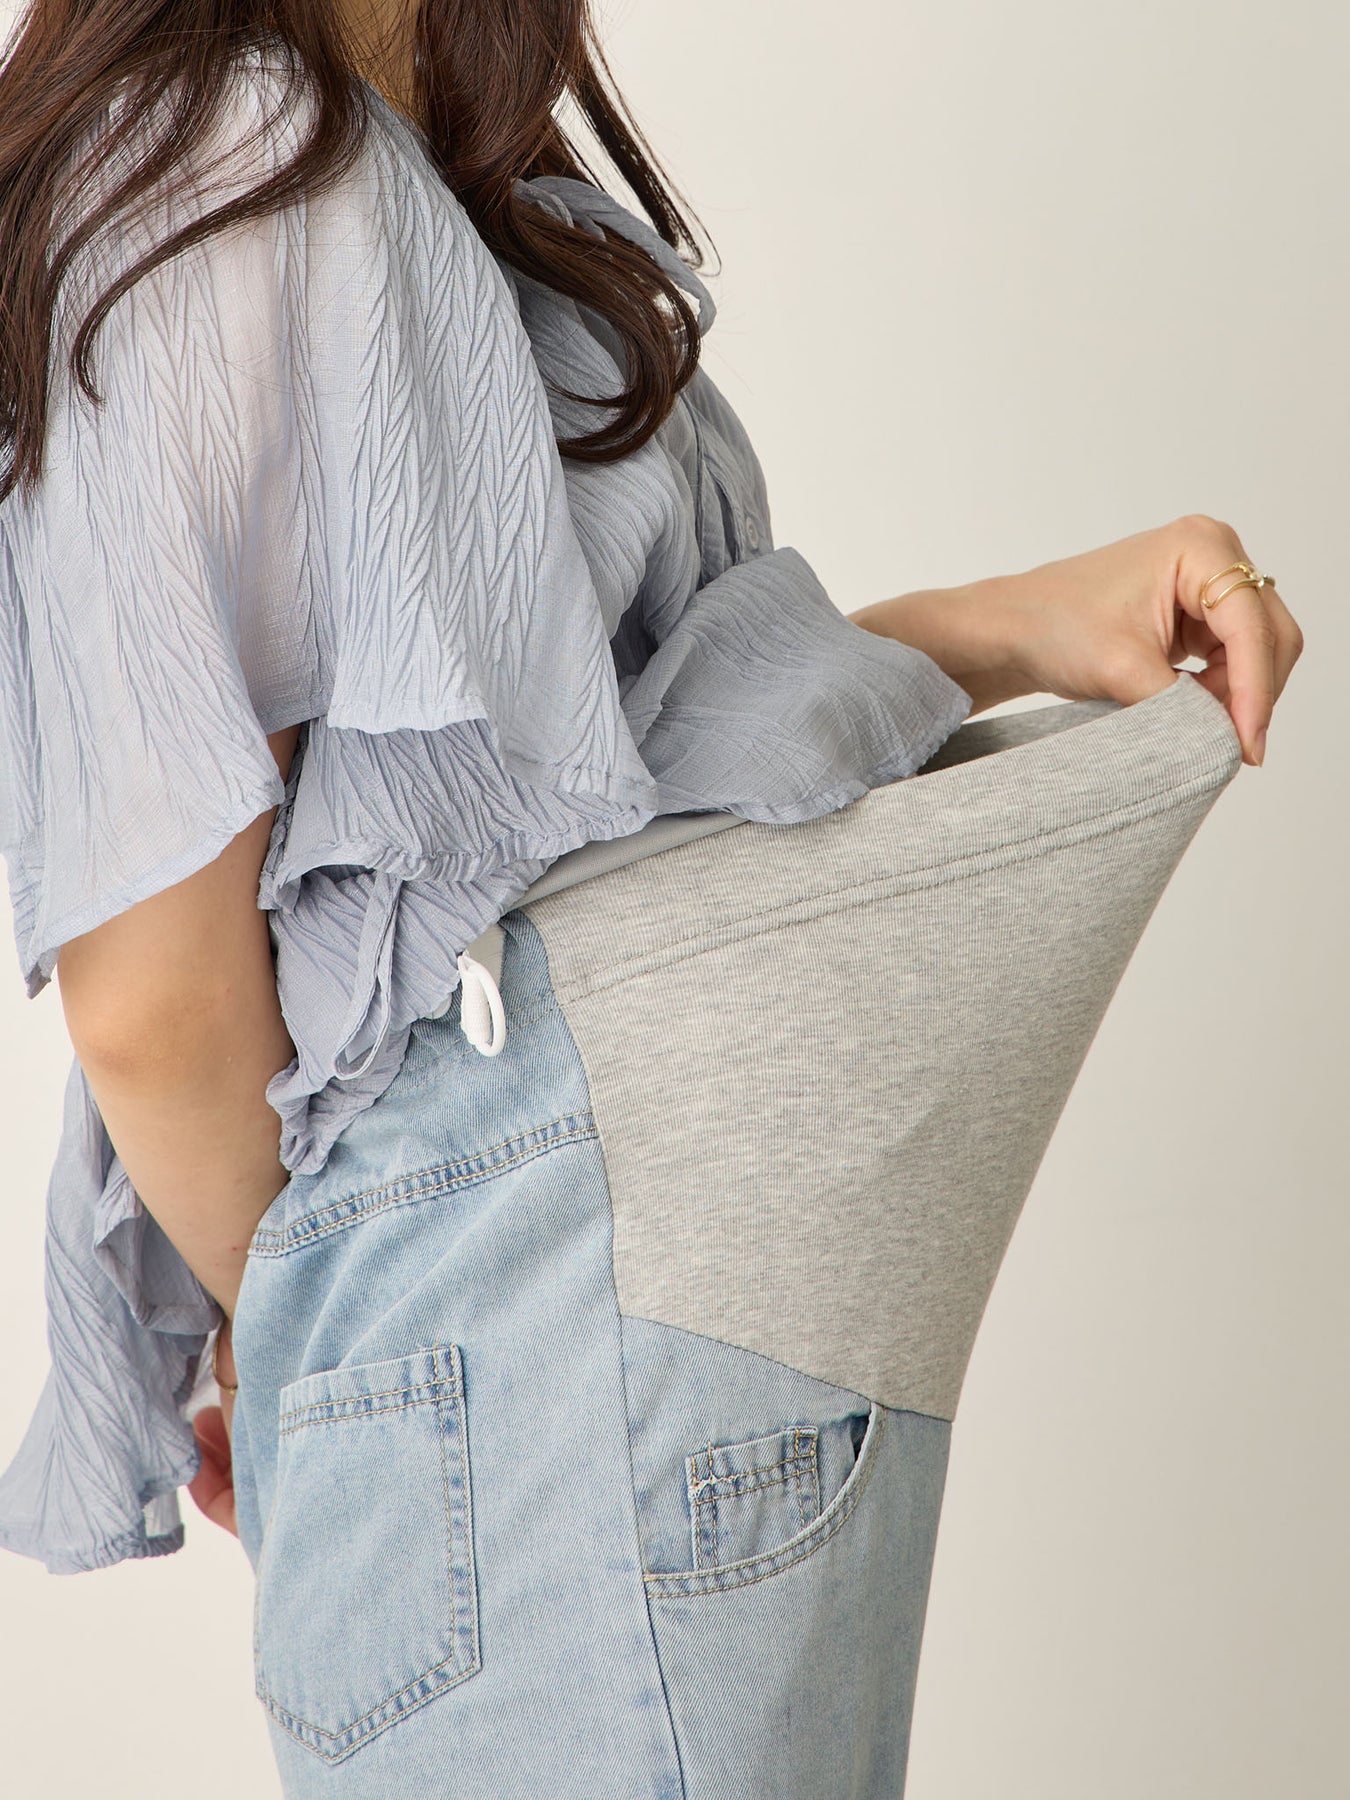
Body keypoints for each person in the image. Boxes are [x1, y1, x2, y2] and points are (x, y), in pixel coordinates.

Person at [0, 0, 1303, 1792]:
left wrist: (1004, 626)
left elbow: (577, 798)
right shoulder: (219, 159)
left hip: (676, 1338)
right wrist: (337, 1330)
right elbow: (155, 995)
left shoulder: (418, 141)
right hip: (565, 1346)